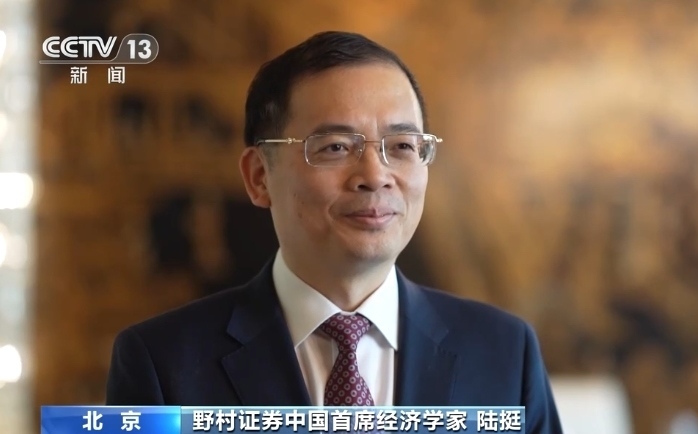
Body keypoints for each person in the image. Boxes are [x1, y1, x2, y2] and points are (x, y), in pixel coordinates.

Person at [105, 31, 563, 433]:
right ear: (259, 176)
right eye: (336, 147)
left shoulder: (505, 352)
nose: (375, 176)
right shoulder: (162, 363)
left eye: (402, 146)